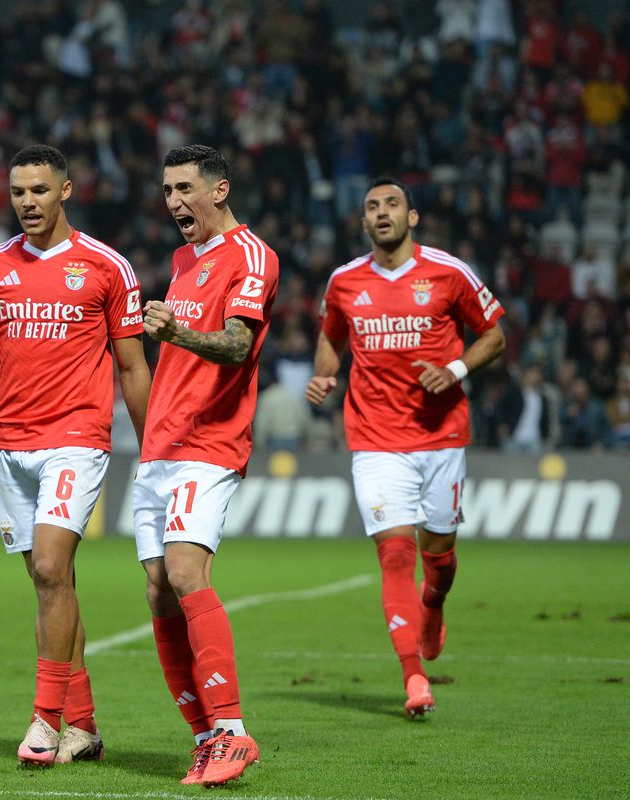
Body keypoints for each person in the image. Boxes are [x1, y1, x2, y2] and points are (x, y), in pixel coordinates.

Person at [0, 144, 151, 765]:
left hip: (76, 438)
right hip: (14, 445)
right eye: (18, 192)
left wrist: (156, 448)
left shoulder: (106, 267)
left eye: (39, 190)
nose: (27, 202)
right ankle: (86, 725)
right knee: (54, 584)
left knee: (48, 569)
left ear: (65, 191)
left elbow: (130, 366)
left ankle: (44, 721)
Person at [306, 177, 505, 718]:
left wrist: (456, 368)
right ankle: (414, 677)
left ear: (412, 217)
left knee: (438, 557)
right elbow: (331, 336)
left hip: (441, 436)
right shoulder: (345, 281)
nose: (381, 212)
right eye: (371, 206)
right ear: (363, 222)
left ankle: (434, 606)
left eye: (392, 204)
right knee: (396, 555)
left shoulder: (448, 272)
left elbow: (495, 333)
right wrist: (325, 375)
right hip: (375, 438)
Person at [133, 144, 278, 788]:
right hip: (160, 445)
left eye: (184, 188)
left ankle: (232, 732)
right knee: (159, 590)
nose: (173, 202)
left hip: (210, 442)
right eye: (166, 190)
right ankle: (202, 738)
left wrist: (174, 334)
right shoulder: (182, 259)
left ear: (219, 190)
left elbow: (239, 345)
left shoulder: (252, 255)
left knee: (188, 572)